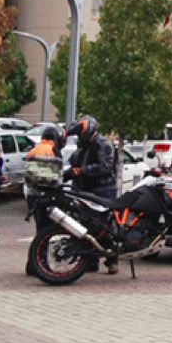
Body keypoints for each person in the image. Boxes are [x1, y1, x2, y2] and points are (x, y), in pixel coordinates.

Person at [63, 115, 119, 274]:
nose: (79, 137)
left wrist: (81, 171)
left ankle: (112, 260)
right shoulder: (82, 147)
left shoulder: (103, 144)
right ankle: (90, 261)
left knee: (105, 226)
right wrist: (66, 174)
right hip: (84, 190)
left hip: (103, 190)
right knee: (85, 225)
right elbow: (75, 165)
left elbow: (104, 166)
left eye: (80, 133)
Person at [24, 125, 64, 276]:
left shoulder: (33, 150)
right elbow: (58, 176)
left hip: (32, 195)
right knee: (46, 233)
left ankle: (32, 265)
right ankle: (40, 264)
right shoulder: (54, 151)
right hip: (47, 196)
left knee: (39, 230)